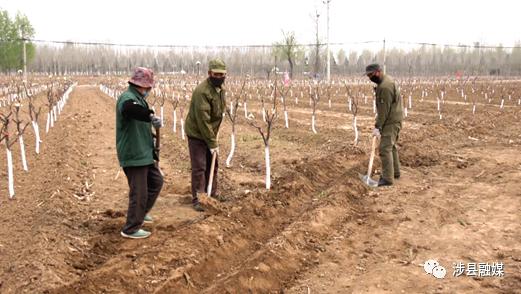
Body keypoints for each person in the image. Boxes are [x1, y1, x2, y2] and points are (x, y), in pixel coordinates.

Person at [116, 67, 163, 238]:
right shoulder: (127, 98)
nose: (149, 90)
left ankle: (140, 213)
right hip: (133, 153)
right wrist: (150, 116)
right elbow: (130, 110)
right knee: (139, 192)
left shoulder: (138, 99)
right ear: (141, 86)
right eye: (148, 87)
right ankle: (131, 228)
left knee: (156, 181)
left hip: (144, 152)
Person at [184, 59, 227, 211]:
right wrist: (212, 143)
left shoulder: (220, 89)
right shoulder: (202, 92)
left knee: (212, 165)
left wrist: (213, 138)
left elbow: (218, 113)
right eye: (216, 74)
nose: (219, 77)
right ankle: (199, 199)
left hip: (209, 133)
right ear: (209, 73)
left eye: (222, 74)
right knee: (200, 166)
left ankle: (211, 195)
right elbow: (203, 120)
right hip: (197, 133)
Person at [365, 63, 403, 187]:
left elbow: (383, 110)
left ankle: (387, 178)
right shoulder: (387, 81)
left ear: (378, 72)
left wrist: (378, 126)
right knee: (391, 147)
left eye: (371, 75)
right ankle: (395, 172)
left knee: (384, 149)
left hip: (390, 121)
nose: (369, 78)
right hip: (395, 118)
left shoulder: (385, 87)